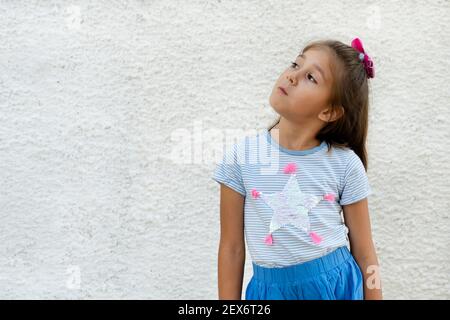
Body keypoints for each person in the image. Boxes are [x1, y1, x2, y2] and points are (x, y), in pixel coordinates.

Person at [212, 38, 382, 300]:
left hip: (334, 289)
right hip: (269, 292)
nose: (292, 76)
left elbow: (365, 251)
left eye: (311, 77)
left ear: (329, 111)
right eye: (295, 64)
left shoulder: (345, 165)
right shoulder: (240, 158)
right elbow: (232, 247)